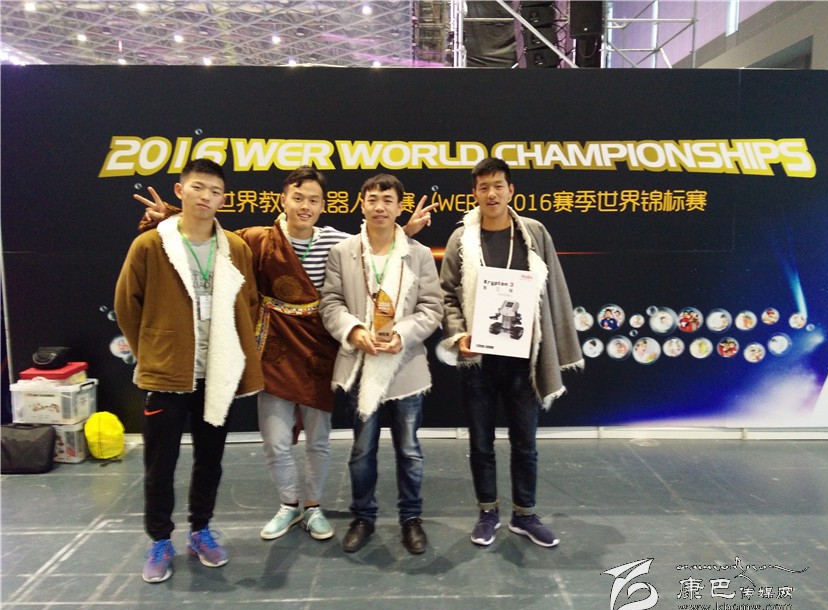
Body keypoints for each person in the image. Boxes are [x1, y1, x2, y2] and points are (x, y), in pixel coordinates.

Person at [135, 167, 434, 544]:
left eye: (313, 200)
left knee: (319, 440)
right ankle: (288, 504)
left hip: (318, 350)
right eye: (298, 197)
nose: (305, 206)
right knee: (275, 440)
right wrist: (170, 216)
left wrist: (406, 231)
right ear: (283, 200)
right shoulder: (257, 239)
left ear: (324, 206)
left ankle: (314, 506)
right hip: (274, 349)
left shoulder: (337, 242)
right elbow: (214, 236)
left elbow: (377, 246)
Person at [115, 158, 264, 583]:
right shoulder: (151, 244)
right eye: (198, 187)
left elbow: (250, 302)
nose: (206, 197)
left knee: (210, 460)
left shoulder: (235, 247)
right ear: (180, 191)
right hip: (167, 375)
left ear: (223, 199)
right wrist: (153, 351)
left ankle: (201, 530)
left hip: (216, 373)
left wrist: (233, 348)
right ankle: (160, 540)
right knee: (159, 465)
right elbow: (127, 304)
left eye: (215, 191)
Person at [438, 157, 583, 549]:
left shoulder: (533, 233)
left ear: (511, 190)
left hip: (524, 359)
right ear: (474, 193)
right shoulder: (461, 239)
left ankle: (525, 514)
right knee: (480, 442)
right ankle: (487, 512)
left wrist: (547, 332)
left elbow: (554, 289)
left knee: (525, 442)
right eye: (483, 187)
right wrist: (458, 335)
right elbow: (446, 294)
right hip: (478, 361)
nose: (491, 194)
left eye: (498, 186)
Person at [319, 174, 443, 555]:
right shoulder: (343, 252)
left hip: (404, 365)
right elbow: (330, 303)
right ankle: (363, 517)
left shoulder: (419, 254)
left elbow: (432, 308)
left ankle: (411, 518)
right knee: (362, 450)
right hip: (361, 363)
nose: (379, 207)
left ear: (399, 208)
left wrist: (403, 334)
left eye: (388, 200)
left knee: (410, 450)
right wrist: (354, 331)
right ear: (362, 204)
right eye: (372, 199)